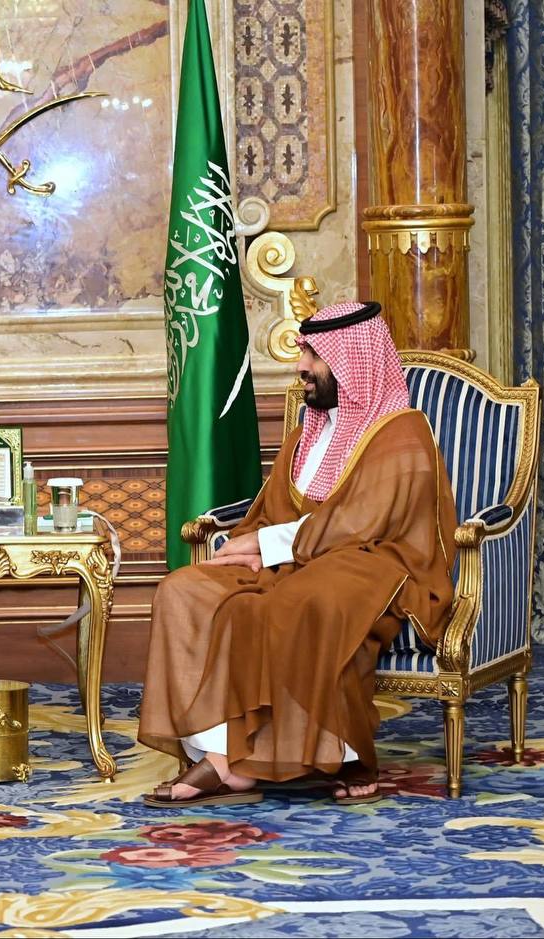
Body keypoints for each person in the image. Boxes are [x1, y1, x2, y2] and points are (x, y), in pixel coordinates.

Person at [139, 300, 457, 806]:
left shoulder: (402, 434)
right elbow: (276, 507)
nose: (300, 366)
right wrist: (258, 545)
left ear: (352, 361)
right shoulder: (309, 431)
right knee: (185, 589)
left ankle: (334, 756)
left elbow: (361, 523)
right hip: (293, 559)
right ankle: (225, 756)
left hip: (375, 562)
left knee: (303, 603)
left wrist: (265, 544)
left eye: (314, 354)